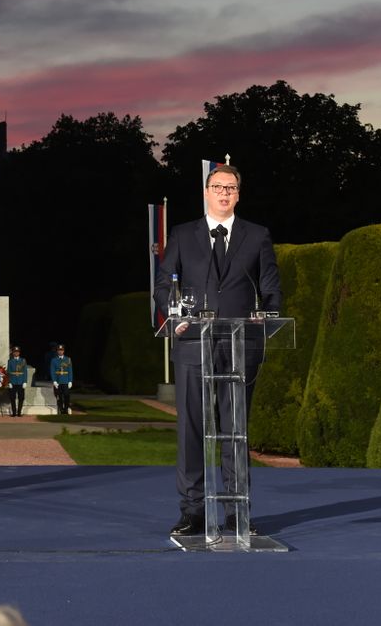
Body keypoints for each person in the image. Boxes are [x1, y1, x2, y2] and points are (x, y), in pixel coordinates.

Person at [154, 165, 281, 538]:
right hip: (194, 344)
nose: (224, 193)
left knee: (235, 431)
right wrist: (174, 315)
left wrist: (267, 317)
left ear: (238, 194)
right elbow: (163, 284)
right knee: (191, 430)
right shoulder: (182, 234)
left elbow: (271, 287)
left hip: (241, 346)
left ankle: (236, 510)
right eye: (217, 186)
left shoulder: (257, 236)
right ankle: (192, 512)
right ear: (206, 192)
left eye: (231, 187)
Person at [50, 344, 73, 415]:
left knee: (66, 395)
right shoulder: (54, 360)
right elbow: (52, 371)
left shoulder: (68, 359)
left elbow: (70, 371)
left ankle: (66, 409)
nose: (60, 351)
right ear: (57, 351)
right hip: (58, 381)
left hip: (65, 381)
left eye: (61, 350)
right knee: (59, 396)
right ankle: (61, 409)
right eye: (59, 350)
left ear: (64, 351)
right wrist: (54, 381)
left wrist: (70, 381)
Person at [7, 345, 29, 416]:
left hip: (20, 381)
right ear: (13, 353)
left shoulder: (23, 360)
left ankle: (19, 412)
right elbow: (9, 372)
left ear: (19, 353)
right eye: (15, 352)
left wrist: (25, 381)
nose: (16, 353)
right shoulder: (10, 361)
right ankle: (14, 412)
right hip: (13, 381)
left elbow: (25, 372)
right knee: (12, 398)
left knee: (21, 398)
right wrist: (9, 382)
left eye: (17, 352)